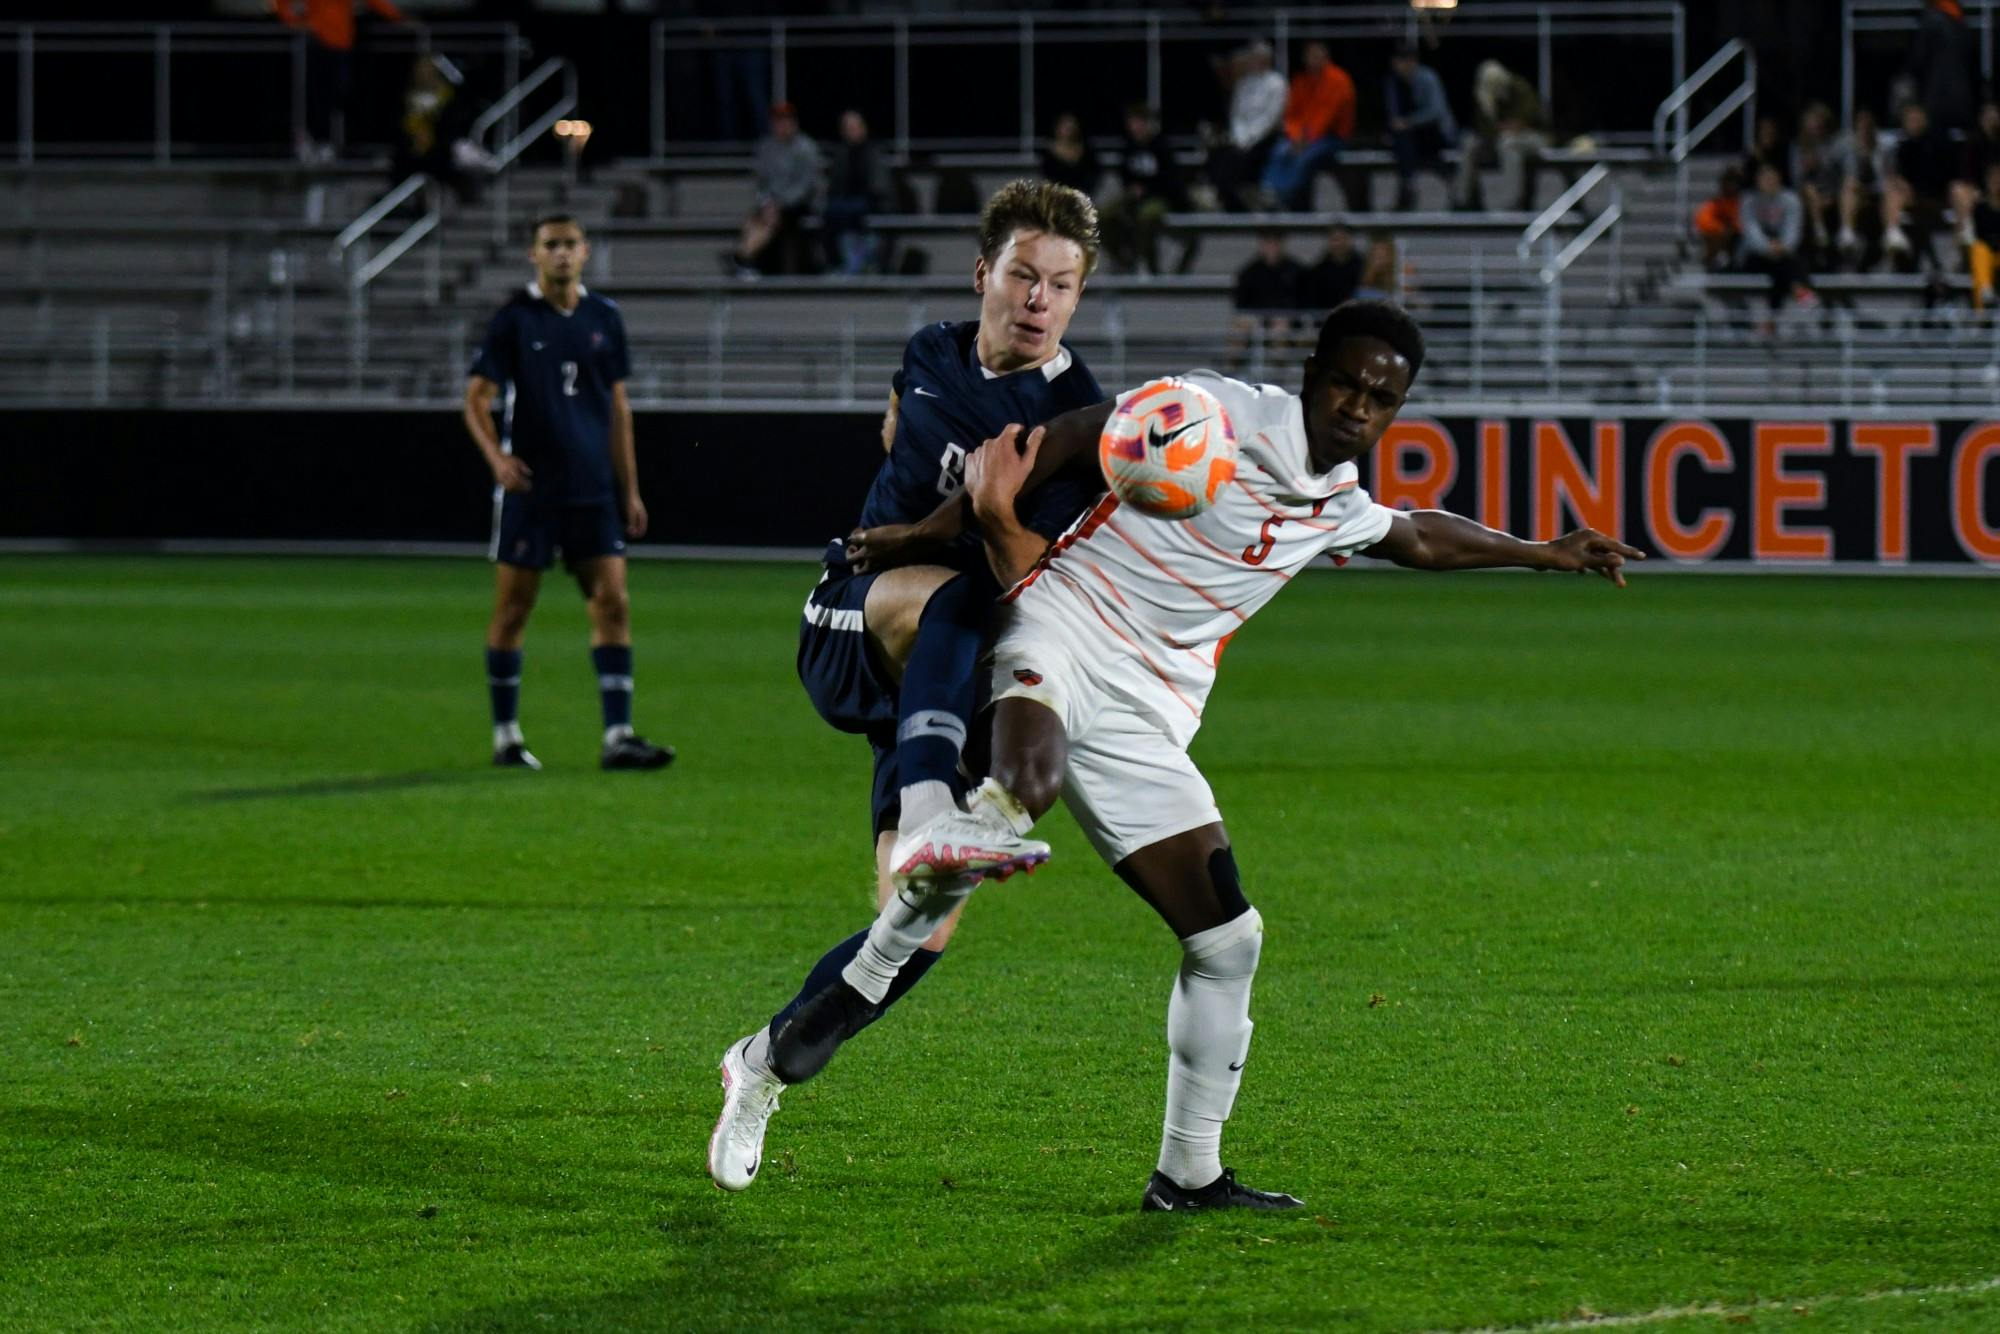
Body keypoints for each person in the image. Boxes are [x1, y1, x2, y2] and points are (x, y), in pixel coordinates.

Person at [710, 300, 1642, 1212]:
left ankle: (1188, 1172)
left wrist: (1544, 553)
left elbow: (1419, 535)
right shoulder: (1212, 411)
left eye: (1381, 398)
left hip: (1150, 710)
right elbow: (1059, 441)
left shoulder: (1337, 501)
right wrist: (931, 532)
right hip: (1061, 622)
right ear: (1312, 374)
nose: (1358, 407)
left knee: (1227, 941)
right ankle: (814, 1024)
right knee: (1020, 789)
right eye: (1347, 384)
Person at [705, 181, 1109, 1191]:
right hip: (856, 615)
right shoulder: (931, 351)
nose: (1039, 300)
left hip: (946, 670)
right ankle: (934, 806)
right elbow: (906, 441)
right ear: (982, 275)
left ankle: (764, 1063)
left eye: (1061, 284)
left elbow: (1031, 573)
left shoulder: (1076, 417)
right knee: (948, 593)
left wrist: (983, 518)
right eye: (1022, 275)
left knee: (919, 923)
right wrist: (936, 527)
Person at [462, 215, 675, 773]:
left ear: (585, 252)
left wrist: (630, 489)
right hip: (533, 492)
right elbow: (476, 398)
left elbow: (618, 409)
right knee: (513, 609)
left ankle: (618, 736)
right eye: (550, 245)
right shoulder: (514, 318)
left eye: (570, 244)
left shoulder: (604, 317)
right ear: (533, 255)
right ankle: (507, 737)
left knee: (613, 603)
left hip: (592, 490)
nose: (561, 253)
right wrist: (498, 459)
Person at [274, 0, 408, 164]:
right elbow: (282, 4)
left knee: (341, 93)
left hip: (342, 43)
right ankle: (316, 140)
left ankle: (335, 142)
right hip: (319, 41)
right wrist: (293, 22)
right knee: (317, 94)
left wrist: (399, 18)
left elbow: (375, 2)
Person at [726, 102, 823, 278]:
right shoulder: (766, 148)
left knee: (771, 218)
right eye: (778, 121)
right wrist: (766, 202)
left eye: (786, 120)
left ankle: (741, 259)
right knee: (753, 220)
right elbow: (760, 183)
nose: (783, 125)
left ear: (794, 122)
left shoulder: (806, 148)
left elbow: (806, 186)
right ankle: (744, 260)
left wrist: (780, 204)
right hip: (771, 204)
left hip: (798, 204)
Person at [1261, 42, 1356, 211]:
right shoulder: (1301, 80)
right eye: (1310, 57)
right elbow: (1292, 115)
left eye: (1318, 56)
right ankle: (1268, 191)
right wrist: (1296, 136)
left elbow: (1328, 116)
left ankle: (1286, 197)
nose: (1314, 60)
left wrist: (1306, 139)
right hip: (1302, 137)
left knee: (1304, 158)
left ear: (1326, 58)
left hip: (1332, 137)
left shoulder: (1338, 80)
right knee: (1280, 150)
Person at [1101, 103, 1193, 275]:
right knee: (1102, 216)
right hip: (1132, 196)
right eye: (1132, 122)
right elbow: (1125, 175)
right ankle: (1123, 258)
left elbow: (1169, 179)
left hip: (1158, 197)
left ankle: (1151, 266)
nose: (1135, 127)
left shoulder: (1161, 146)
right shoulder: (1128, 147)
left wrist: (1147, 189)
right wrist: (1131, 189)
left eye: (1139, 122)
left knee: (1146, 217)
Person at [1453, 59, 1548, 212]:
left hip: (1532, 137)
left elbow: (1531, 117)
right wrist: (1488, 109)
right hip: (1497, 139)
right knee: (1468, 143)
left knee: (1508, 145)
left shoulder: (1519, 88)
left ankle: (1512, 201)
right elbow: (1483, 128)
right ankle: (1462, 199)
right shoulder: (1484, 94)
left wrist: (1510, 126)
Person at [1207, 40, 1287, 212]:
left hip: (1266, 136)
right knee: (1221, 153)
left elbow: (1271, 118)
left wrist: (1250, 139)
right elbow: (1236, 115)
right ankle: (1225, 198)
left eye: (1259, 58)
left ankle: (1241, 200)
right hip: (1241, 138)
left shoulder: (1277, 83)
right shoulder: (1244, 83)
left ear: (1267, 60)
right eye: (1253, 58)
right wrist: (1240, 138)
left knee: (1240, 159)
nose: (1255, 62)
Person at [1739, 163, 1817, 331]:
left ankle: (1770, 321)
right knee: (1785, 266)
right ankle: (1799, 287)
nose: (1769, 182)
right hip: (1755, 255)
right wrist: (1768, 247)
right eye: (1765, 179)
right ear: (1757, 180)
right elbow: (1751, 232)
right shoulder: (1749, 201)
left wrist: (1783, 246)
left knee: (1782, 265)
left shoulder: (1791, 200)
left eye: (1772, 178)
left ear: (1779, 179)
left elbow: (1793, 229)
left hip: (1783, 253)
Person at [1385, 42, 1457, 211]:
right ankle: (1408, 185)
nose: (1404, 65)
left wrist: (1409, 122)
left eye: (1408, 60)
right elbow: (1393, 113)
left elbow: (1435, 112)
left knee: (1404, 139)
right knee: (1400, 140)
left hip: (1436, 132)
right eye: (1400, 61)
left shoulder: (1427, 77)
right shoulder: (1392, 82)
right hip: (1410, 136)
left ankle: (1408, 187)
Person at [824, 110, 892, 275]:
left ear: (864, 128)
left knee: (845, 212)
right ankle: (839, 263)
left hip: (870, 201)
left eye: (855, 127)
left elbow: (879, 187)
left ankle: (854, 263)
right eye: (848, 128)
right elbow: (834, 185)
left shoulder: (874, 151)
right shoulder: (842, 154)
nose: (852, 131)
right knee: (830, 212)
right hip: (845, 202)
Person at [1909, 0, 1977, 134]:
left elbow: (1919, 58)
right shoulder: (1959, 18)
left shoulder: (1931, 19)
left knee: (1937, 135)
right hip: (1961, 93)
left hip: (1937, 94)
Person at [1693, 166, 1745, 271]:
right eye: (1728, 182)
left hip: (1738, 240)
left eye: (1734, 182)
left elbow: (1743, 224)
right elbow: (1702, 219)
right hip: (1720, 239)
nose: (1731, 186)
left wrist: (1733, 228)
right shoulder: (1716, 203)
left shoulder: (1743, 202)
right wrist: (1721, 228)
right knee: (1711, 237)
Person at [1040, 113, 1101, 199]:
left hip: (1083, 194)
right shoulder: (1050, 151)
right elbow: (1047, 176)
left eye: (1071, 127)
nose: (1069, 130)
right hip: (1057, 196)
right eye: (1065, 127)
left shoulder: (1086, 150)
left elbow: (1093, 173)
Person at [1302, 223, 1362, 308]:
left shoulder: (1362, 267)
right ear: (1329, 242)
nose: (1339, 244)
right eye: (1335, 239)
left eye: (1343, 238)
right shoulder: (1319, 271)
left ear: (1349, 240)